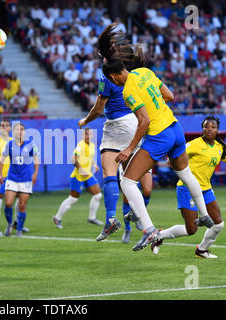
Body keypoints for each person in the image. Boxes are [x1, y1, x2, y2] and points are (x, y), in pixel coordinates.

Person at [90, 24, 214, 251]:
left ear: (114, 75)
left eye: (113, 79)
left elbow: (144, 121)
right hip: (176, 128)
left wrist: (129, 148)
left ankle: (149, 231)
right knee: (185, 174)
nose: (115, 83)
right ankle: (204, 215)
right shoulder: (144, 72)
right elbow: (169, 95)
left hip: (159, 135)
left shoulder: (127, 90)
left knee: (127, 182)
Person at [77, 26, 153, 243]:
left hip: (118, 125)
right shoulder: (135, 72)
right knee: (142, 185)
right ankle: (138, 215)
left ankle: (111, 218)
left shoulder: (107, 76)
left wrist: (85, 120)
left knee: (110, 172)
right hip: (139, 124)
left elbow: (99, 109)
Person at [151, 116, 226, 257]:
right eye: (206, 127)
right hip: (187, 189)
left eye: (213, 127)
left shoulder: (221, 148)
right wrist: (170, 160)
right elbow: (177, 152)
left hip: (206, 190)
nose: (209, 129)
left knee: (218, 224)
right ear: (202, 129)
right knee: (191, 230)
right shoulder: (194, 144)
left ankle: (202, 250)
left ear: (217, 130)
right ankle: (159, 235)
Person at [52, 127, 103, 228]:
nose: (88, 136)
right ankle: (57, 218)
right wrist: (81, 169)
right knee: (73, 199)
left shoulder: (92, 145)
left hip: (88, 174)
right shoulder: (80, 146)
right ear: (82, 135)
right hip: (78, 176)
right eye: (86, 134)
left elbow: (90, 157)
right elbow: (73, 159)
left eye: (90, 134)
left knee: (98, 195)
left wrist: (95, 164)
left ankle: (92, 218)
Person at [0, 122, 39, 237]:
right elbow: (1, 160)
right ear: (13, 132)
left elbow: (36, 160)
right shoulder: (9, 144)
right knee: (8, 203)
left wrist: (35, 174)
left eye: (22, 129)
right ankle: (10, 224)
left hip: (26, 179)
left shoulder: (30, 145)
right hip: (12, 178)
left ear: (25, 132)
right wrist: (0, 175)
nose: (19, 131)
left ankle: (19, 229)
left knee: (22, 205)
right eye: (17, 129)